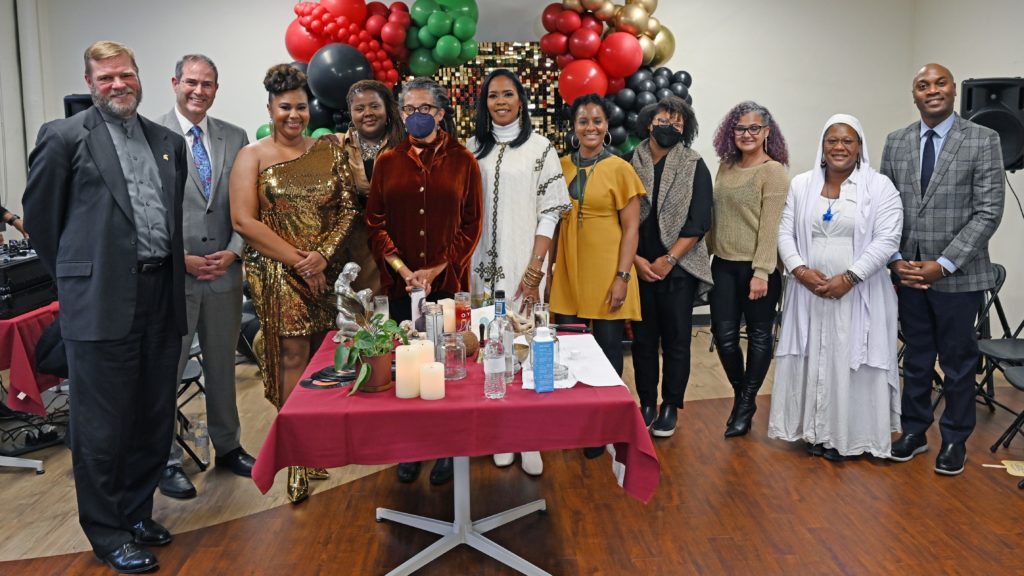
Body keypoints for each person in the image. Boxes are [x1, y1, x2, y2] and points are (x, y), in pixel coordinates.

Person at [22, 40, 188, 574]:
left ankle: (137, 513)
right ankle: (108, 531)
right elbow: (43, 221)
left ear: (140, 77)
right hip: (98, 302)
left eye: (126, 75)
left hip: (161, 293)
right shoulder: (64, 137)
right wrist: (79, 276)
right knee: (101, 426)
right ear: (90, 84)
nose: (118, 85)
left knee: (153, 414)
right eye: (106, 78)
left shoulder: (167, 141)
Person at [230, 64, 360, 502]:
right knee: (291, 355)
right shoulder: (253, 155)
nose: (293, 115)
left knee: (324, 358)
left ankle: (315, 443)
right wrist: (299, 261)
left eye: (301, 107)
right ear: (270, 108)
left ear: (310, 109)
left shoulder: (329, 150)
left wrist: (321, 257)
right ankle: (296, 459)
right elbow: (243, 220)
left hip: (324, 270)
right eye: (285, 106)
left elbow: (346, 209)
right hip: (277, 271)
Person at [881, 63, 1004, 475]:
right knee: (915, 358)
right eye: (922, 85)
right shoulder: (895, 142)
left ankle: (954, 439)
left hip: (959, 274)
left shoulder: (983, 140)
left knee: (958, 361)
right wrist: (896, 260)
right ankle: (914, 431)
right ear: (913, 94)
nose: (931, 90)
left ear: (954, 90)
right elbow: (886, 208)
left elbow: (989, 212)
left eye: (940, 83)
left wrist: (944, 264)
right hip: (908, 274)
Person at [365, 77, 482, 485]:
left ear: (441, 113)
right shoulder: (387, 162)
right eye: (410, 109)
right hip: (401, 288)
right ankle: (411, 447)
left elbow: (472, 225)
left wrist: (434, 270)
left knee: (449, 366)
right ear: (401, 115)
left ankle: (450, 448)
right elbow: (375, 224)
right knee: (407, 367)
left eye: (425, 109)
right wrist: (403, 271)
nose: (417, 116)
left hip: (447, 287)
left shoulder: (463, 160)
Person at [770, 114, 903, 461]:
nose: (839, 147)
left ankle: (851, 437)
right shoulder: (801, 184)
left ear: (860, 147)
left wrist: (850, 277)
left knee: (851, 362)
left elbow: (888, 239)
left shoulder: (879, 187)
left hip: (860, 293)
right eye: (832, 140)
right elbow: (784, 231)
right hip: (809, 291)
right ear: (822, 146)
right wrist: (799, 269)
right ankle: (815, 432)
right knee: (814, 355)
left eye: (848, 141)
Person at [156, 54, 255, 500]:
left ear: (217, 88)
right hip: (172, 277)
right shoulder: (149, 134)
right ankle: (164, 461)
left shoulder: (235, 136)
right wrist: (180, 259)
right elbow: (146, 211)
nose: (199, 91)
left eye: (208, 84)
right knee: (167, 371)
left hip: (224, 273)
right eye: (191, 82)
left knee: (221, 365)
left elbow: (247, 204)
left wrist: (234, 253)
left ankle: (229, 447)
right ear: (175, 82)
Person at [467, 69, 571, 475]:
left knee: (526, 348)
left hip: (523, 263)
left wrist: (534, 269)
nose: (501, 102)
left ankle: (529, 438)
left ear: (521, 99)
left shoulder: (541, 149)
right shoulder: (472, 148)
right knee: (490, 346)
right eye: (493, 96)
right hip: (479, 267)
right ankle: (498, 433)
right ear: (484, 102)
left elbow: (550, 211)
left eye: (508, 94)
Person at [626, 96, 713, 438]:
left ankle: (669, 406)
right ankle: (647, 401)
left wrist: (670, 259)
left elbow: (699, 219)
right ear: (649, 122)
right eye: (665, 120)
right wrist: (636, 261)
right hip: (638, 266)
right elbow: (618, 220)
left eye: (678, 124)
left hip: (678, 269)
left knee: (676, 341)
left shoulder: (695, 164)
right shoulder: (628, 163)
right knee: (643, 341)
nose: (670, 127)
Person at [709, 101, 790, 438]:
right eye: (740, 128)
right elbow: (717, 217)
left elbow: (771, 227)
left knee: (758, 336)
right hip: (724, 266)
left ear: (767, 132)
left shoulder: (773, 171)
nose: (746, 134)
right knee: (725, 339)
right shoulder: (725, 167)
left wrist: (761, 271)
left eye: (754, 128)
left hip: (759, 269)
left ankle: (744, 404)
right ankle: (745, 396)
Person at [550, 93, 644, 377]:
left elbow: (631, 229)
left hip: (607, 272)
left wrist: (622, 276)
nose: (590, 127)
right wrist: (548, 272)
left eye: (597, 121)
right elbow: (552, 222)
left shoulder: (620, 169)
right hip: (568, 269)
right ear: (574, 126)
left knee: (608, 349)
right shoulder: (560, 166)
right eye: (583, 121)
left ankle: (609, 415)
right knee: (568, 346)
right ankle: (574, 412)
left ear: (606, 125)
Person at [334, 79, 406, 293]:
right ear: (350, 113)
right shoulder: (335, 146)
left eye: (375, 106)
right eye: (360, 108)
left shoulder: (405, 144)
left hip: (399, 237)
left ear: (387, 109)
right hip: (355, 241)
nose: (368, 113)